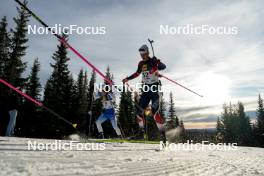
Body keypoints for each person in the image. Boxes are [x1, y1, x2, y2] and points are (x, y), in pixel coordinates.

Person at [122, 44, 166, 142]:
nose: (142, 55)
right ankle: (142, 134)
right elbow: (137, 73)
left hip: (154, 89)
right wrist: (127, 79)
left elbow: (163, 67)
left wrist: (158, 62)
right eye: (141, 54)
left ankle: (163, 137)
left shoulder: (153, 61)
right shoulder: (141, 64)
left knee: (154, 113)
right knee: (139, 112)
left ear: (147, 52)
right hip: (146, 90)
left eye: (144, 53)